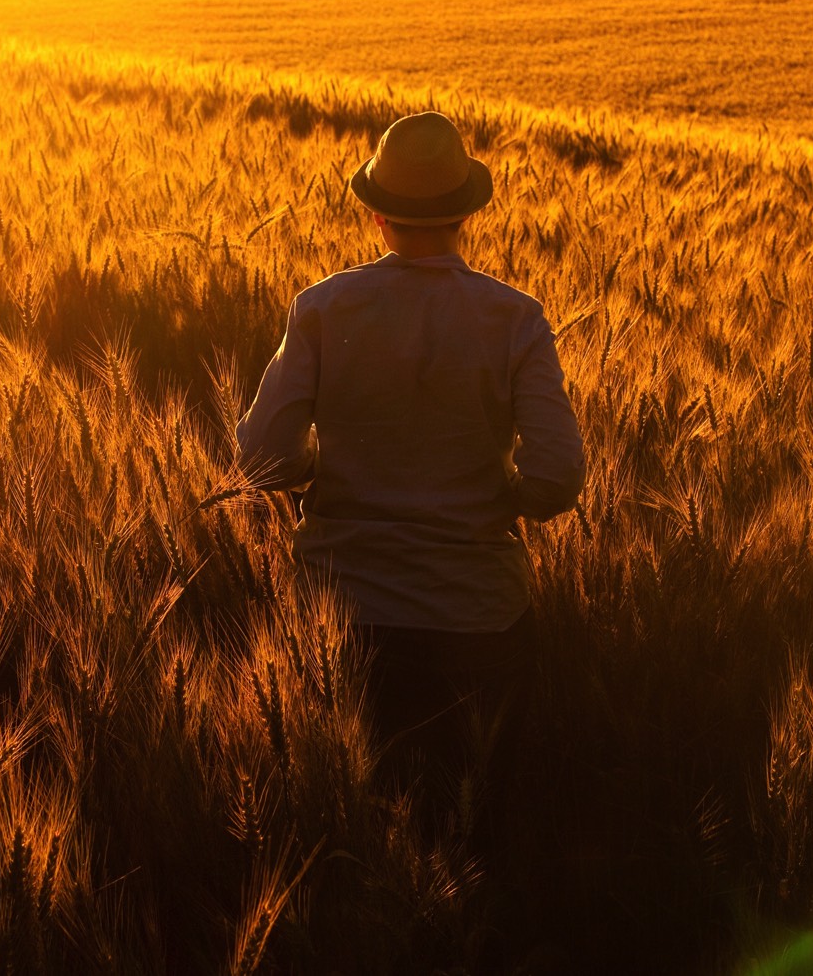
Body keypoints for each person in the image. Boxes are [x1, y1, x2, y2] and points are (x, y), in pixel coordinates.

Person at [235, 111, 585, 801]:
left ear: (376, 216)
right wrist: (490, 495)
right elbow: (555, 476)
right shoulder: (516, 318)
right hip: (479, 619)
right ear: (465, 215)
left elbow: (261, 458)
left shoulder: (321, 309)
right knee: (474, 820)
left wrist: (322, 472)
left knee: (349, 809)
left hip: (343, 616)